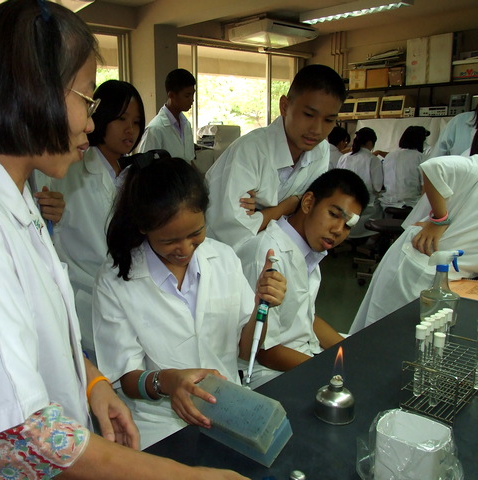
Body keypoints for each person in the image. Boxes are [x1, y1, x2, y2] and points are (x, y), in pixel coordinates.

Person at [0, 2, 247, 479]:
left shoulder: (8, 199)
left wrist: (91, 381)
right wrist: (188, 477)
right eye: (87, 100)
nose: (91, 124)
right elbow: (13, 441)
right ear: (35, 92)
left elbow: (29, 334)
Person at [92, 154, 287, 449]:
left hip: (226, 409)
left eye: (196, 234)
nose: (184, 249)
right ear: (143, 227)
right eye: (169, 241)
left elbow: (247, 351)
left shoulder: (223, 258)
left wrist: (262, 306)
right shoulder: (115, 281)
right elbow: (126, 377)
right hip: (159, 423)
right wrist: (167, 382)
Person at [31, 79, 146, 358]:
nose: (130, 129)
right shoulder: (69, 167)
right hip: (86, 291)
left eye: (136, 122)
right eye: (121, 119)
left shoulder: (133, 174)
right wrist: (48, 212)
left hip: (130, 291)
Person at [236, 169, 368, 384]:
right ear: (308, 203)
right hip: (266, 371)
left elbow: (306, 317)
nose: (338, 230)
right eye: (334, 215)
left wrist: (350, 353)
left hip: (302, 352)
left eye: (348, 225)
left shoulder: (309, 250)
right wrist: (332, 371)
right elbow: (264, 351)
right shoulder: (268, 255)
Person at [205, 64, 346, 250]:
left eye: (329, 120)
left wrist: (262, 213)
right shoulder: (250, 151)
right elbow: (234, 230)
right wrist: (286, 206)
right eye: (308, 115)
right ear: (285, 106)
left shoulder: (321, 150)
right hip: (222, 253)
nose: (317, 130)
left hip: (275, 252)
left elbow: (307, 213)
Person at [350, 133, 478, 334]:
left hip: (447, 275)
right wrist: (440, 219)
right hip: (418, 266)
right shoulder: (473, 165)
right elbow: (433, 167)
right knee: (383, 334)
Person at [136, 68, 196, 163]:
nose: (192, 100)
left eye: (193, 95)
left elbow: (189, 160)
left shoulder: (186, 125)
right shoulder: (155, 129)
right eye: (187, 96)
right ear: (171, 95)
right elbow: (145, 168)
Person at [336, 127, 383, 238]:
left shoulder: (344, 157)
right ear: (370, 143)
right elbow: (377, 186)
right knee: (381, 208)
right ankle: (369, 240)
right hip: (366, 205)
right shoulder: (373, 159)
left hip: (344, 202)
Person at [380, 126, 430, 209]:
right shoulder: (421, 157)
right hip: (411, 204)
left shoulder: (389, 156)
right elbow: (425, 186)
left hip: (388, 203)